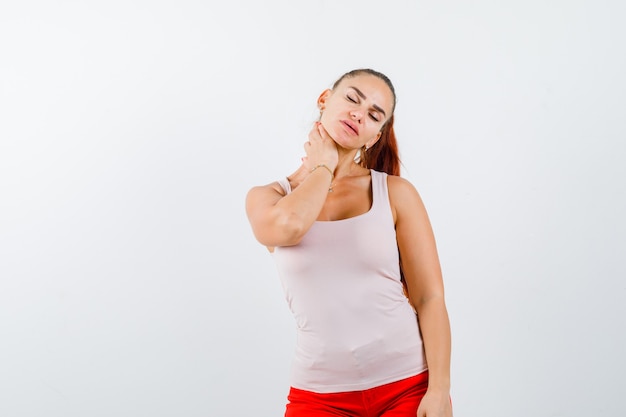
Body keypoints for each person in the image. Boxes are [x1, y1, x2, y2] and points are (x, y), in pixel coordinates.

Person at [245, 68, 453, 417]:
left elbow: (429, 297)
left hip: (407, 385)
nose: (360, 113)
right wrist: (323, 167)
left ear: (375, 137)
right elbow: (290, 228)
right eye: (352, 98)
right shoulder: (269, 197)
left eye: (374, 115)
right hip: (318, 395)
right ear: (324, 100)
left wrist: (440, 391)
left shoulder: (395, 194)